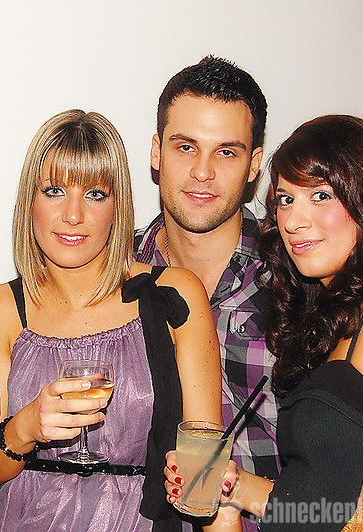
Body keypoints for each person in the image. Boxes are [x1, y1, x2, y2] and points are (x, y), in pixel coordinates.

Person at [165, 115, 363, 530]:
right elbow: (326, 506)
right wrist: (235, 486)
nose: (293, 221)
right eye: (285, 200)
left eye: (320, 195)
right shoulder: (328, 317)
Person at [0, 109, 222, 531]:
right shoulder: (2, 307)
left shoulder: (174, 294)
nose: (73, 215)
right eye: (54, 190)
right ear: (30, 201)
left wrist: (200, 479)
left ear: (117, 206)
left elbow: (204, 466)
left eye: (94, 194)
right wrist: (26, 427)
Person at [134, 56, 275, 530]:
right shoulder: (116, 273)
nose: (202, 171)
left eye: (227, 152)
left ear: (254, 164)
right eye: (186, 147)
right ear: (157, 152)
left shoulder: (296, 275)